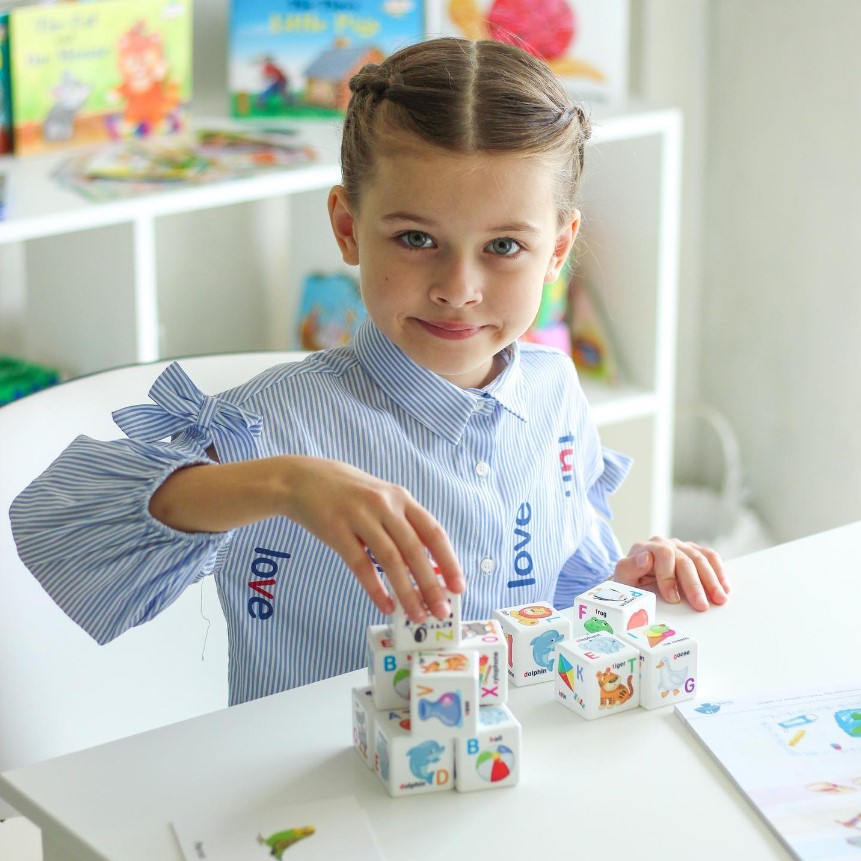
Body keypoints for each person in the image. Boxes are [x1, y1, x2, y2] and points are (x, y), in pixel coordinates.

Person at [10, 37, 729, 706]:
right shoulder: (270, 427)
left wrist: (622, 587)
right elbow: (57, 529)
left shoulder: (554, 389)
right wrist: (285, 485)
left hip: (507, 763)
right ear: (348, 227)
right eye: (416, 238)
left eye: (504, 246)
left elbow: (555, 592)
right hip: (314, 780)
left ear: (558, 250)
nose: (458, 289)